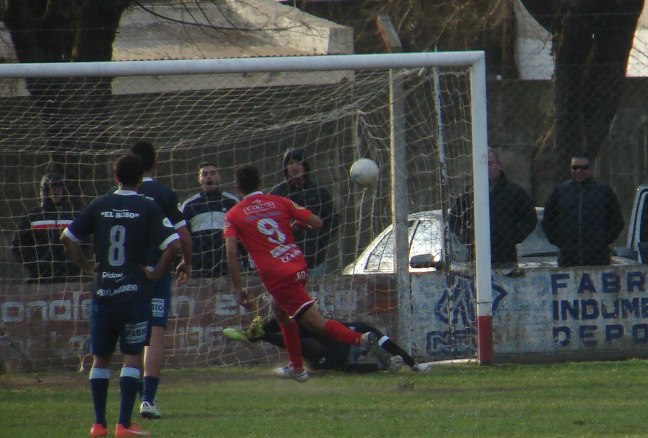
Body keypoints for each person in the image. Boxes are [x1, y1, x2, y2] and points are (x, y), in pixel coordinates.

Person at [60, 154, 181, 438]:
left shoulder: (99, 204)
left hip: (103, 293)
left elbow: (67, 237)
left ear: (115, 178)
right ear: (140, 180)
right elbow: (173, 244)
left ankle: (98, 424)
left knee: (100, 359)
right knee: (131, 357)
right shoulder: (147, 205)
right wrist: (155, 272)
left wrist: (85, 265)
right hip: (133, 295)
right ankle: (124, 426)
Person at [224, 164, 377, 383]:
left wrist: (239, 289)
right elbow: (318, 222)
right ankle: (296, 366)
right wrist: (299, 225)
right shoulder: (280, 201)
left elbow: (230, 252)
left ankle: (361, 339)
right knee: (279, 310)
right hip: (297, 264)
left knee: (317, 324)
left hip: (278, 276)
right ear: (260, 183)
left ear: (238, 188)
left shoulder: (233, 214)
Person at [129, 141, 192, 420]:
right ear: (155, 163)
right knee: (154, 334)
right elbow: (183, 236)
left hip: (125, 274)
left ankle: (125, 403)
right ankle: (148, 400)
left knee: (130, 335)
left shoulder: (118, 196)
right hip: (157, 271)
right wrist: (187, 263)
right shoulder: (163, 193)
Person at [224, 316, 426, 373]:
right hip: (326, 352)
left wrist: (412, 364)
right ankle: (258, 334)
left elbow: (388, 344)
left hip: (333, 361)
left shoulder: (365, 329)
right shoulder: (353, 327)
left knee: (320, 349)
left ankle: (260, 335)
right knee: (297, 321)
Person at [449, 147, 538, 267]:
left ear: (499, 166)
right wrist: (468, 238)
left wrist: (512, 237)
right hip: (476, 256)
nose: (486, 168)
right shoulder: (470, 193)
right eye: (482, 164)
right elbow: (454, 218)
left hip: (506, 257)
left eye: (490, 164)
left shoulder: (514, 192)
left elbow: (530, 218)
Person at [542, 154, 624, 267]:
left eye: (583, 167)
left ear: (590, 169)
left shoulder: (603, 191)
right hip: (568, 257)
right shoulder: (560, 191)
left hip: (598, 257)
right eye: (575, 167)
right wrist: (560, 242)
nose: (579, 171)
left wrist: (603, 241)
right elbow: (548, 220)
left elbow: (617, 220)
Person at [270, 148, 337, 275]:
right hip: (285, 261)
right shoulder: (277, 194)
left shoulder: (319, 193)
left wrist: (319, 243)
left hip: (314, 261)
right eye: (290, 163)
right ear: (285, 168)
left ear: (305, 166)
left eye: (297, 162)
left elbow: (332, 221)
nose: (294, 166)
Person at [12, 172, 82, 283]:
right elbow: (18, 246)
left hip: (68, 278)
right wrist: (36, 267)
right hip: (38, 279)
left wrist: (74, 267)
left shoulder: (72, 216)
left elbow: (84, 243)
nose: (56, 191)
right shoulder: (32, 217)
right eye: (52, 187)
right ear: (45, 191)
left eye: (59, 187)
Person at [181, 162, 240, 278]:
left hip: (226, 264)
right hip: (198, 265)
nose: (209, 176)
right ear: (199, 179)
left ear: (219, 177)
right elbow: (182, 235)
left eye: (213, 173)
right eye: (204, 174)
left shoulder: (232, 202)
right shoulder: (189, 204)